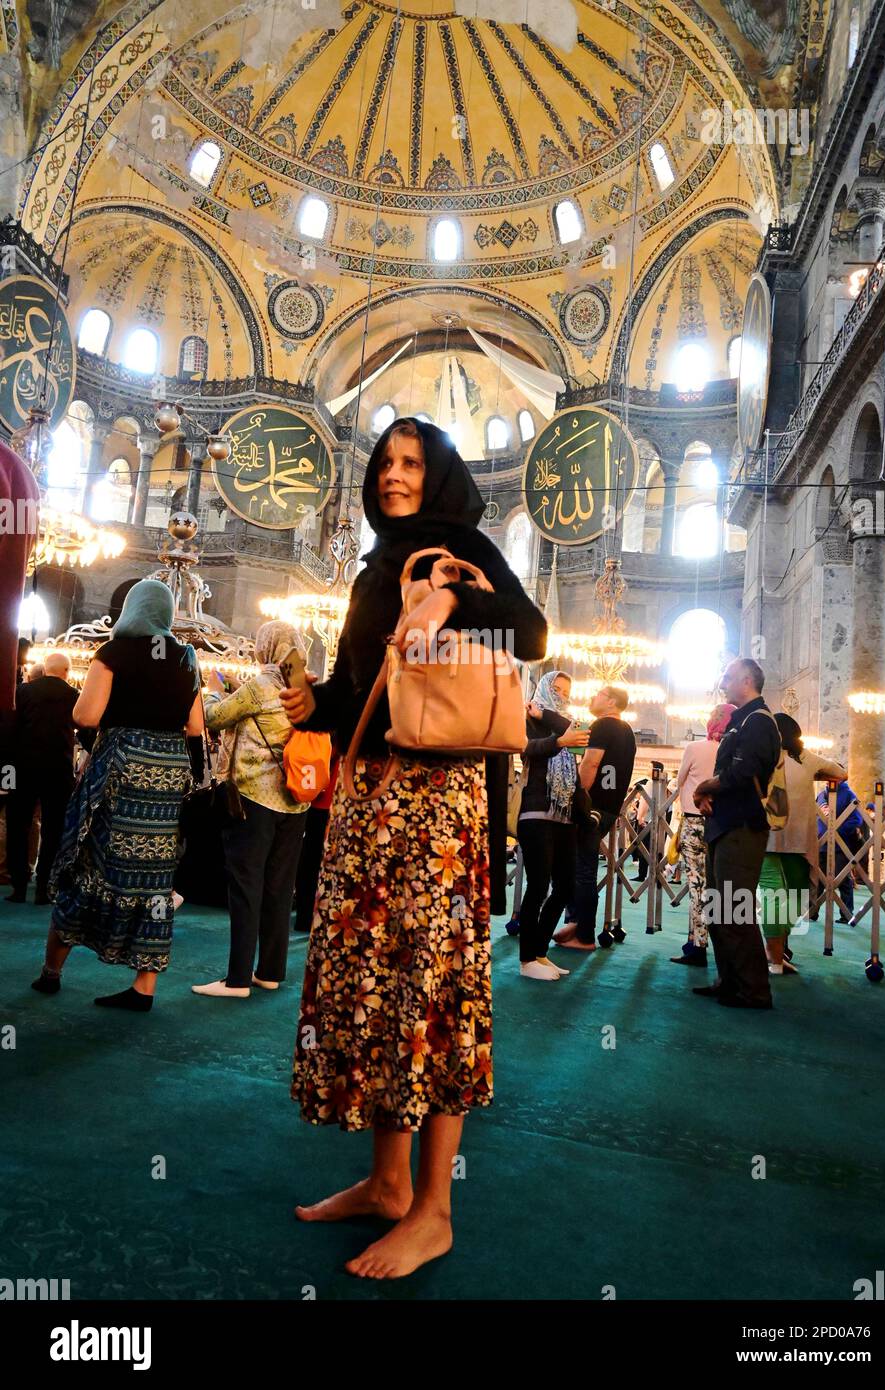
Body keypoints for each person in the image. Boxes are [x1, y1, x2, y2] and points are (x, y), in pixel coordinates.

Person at [281, 417, 546, 1279]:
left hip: (434, 808)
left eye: (410, 463)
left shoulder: (459, 547)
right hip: (369, 808)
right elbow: (374, 687)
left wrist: (449, 597)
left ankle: (434, 1211)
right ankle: (388, 1183)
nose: (393, 475)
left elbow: (529, 634)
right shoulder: (376, 562)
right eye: (384, 463)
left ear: (438, 476)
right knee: (382, 985)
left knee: (431, 990)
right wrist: (313, 703)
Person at [31, 579, 202, 1011]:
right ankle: (144, 989)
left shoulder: (113, 653)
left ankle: (52, 972)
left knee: (86, 862)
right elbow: (197, 728)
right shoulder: (186, 657)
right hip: (166, 777)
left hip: (122, 769)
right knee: (154, 879)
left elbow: (85, 715)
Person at [192, 621, 310, 999]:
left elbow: (215, 718)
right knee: (278, 887)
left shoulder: (262, 685)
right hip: (296, 800)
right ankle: (270, 972)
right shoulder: (305, 688)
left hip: (255, 799)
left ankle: (237, 979)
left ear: (267, 646)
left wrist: (212, 693)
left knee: (246, 885)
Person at [692, 657, 781, 1010]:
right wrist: (710, 793)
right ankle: (729, 981)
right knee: (719, 907)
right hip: (726, 824)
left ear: (747, 680)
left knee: (734, 908)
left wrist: (703, 788)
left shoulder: (759, 721)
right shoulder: (741, 720)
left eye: (727, 677)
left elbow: (741, 774)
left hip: (743, 826)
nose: (722, 682)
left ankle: (754, 990)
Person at [759, 714, 846, 975]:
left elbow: (840, 773)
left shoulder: (771, 757)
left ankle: (774, 952)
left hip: (771, 836)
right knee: (790, 896)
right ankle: (775, 956)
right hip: (788, 838)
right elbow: (841, 773)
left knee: (779, 897)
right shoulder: (806, 759)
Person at [516, 670, 589, 977]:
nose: (561, 696)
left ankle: (541, 952)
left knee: (564, 886)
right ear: (544, 687)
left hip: (565, 816)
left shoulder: (548, 716)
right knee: (538, 886)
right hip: (536, 812)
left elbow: (583, 739)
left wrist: (548, 715)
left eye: (565, 692)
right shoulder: (527, 718)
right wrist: (558, 739)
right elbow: (526, 748)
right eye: (555, 690)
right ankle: (526, 960)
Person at [554, 684, 635, 952]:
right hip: (609, 807)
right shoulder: (627, 731)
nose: (591, 697)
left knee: (582, 870)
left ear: (611, 701)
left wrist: (576, 797)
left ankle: (585, 935)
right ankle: (576, 925)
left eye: (598, 694)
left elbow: (590, 764)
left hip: (591, 807)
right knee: (580, 867)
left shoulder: (601, 726)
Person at [4, 652, 88, 905]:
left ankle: (18, 886)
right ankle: (44, 887)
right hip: (58, 771)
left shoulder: (23, 691)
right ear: (67, 671)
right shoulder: (74, 695)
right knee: (54, 830)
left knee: (18, 826)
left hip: (24, 768)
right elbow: (86, 730)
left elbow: (10, 730)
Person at [670, 702, 736, 966]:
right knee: (716, 885)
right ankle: (694, 941)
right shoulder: (733, 753)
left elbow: (680, 780)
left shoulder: (694, 748)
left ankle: (698, 946)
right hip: (722, 823)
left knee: (697, 885)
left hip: (694, 822)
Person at [293, 748, 340, 934]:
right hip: (329, 794)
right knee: (317, 860)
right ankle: (312, 917)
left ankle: (305, 917)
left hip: (315, 789)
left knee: (309, 858)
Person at [816, 778, 866, 922]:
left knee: (842, 879)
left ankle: (846, 914)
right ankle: (813, 911)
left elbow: (856, 820)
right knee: (818, 879)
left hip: (841, 845)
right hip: (821, 844)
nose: (827, 779)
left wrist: (836, 832)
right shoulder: (820, 795)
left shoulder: (849, 794)